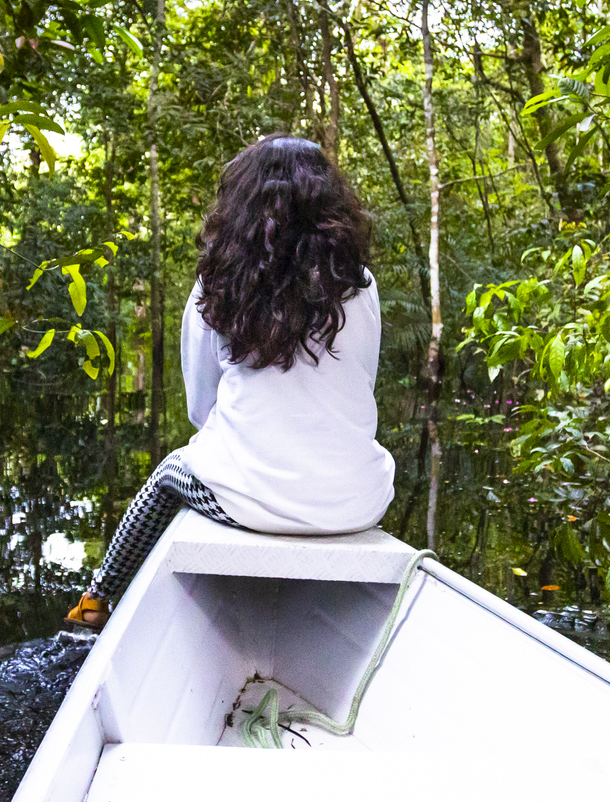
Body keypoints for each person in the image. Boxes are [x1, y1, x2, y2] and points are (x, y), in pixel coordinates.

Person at [64, 134, 395, 631]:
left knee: (168, 473)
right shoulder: (359, 283)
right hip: (357, 503)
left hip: (246, 501)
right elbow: (360, 389)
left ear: (243, 205)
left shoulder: (218, 282)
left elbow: (201, 409)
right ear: (331, 204)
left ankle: (96, 600)